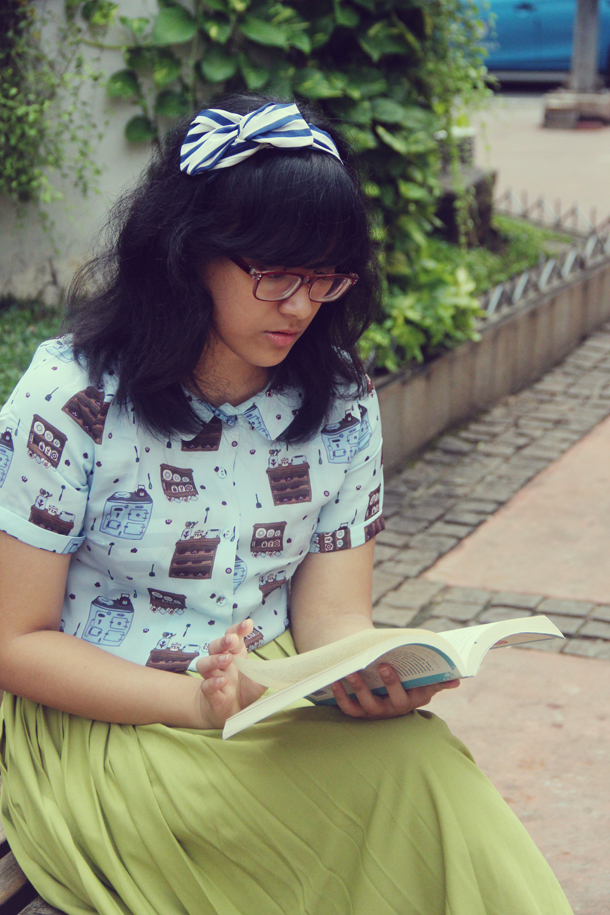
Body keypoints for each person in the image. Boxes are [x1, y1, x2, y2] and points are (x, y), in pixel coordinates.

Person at [0, 94, 573, 915]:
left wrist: (371, 673)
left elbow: (333, 617)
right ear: (188, 253)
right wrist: (198, 701)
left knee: (429, 774)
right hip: (106, 713)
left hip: (270, 697)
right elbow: (16, 641)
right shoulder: (72, 397)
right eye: (274, 274)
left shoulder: (339, 399)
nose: (303, 305)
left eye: (325, 277)